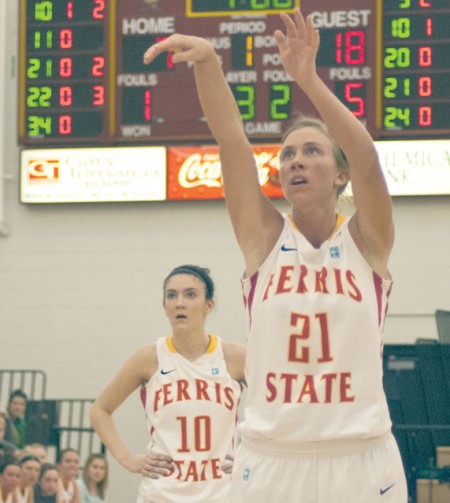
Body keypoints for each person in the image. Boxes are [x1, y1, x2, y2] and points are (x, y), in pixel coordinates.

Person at [143, 8, 408, 503]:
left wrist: (307, 79)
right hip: (269, 457)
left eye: (312, 151)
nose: (296, 161)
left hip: (361, 455)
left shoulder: (367, 240)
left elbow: (368, 157)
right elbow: (233, 144)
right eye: (287, 155)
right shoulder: (264, 241)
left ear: (340, 174)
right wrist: (208, 66)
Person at [90, 265, 246, 502]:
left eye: (190, 294)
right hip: (162, 494)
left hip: (221, 493)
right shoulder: (148, 358)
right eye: (171, 295)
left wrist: (251, 456)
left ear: (208, 305)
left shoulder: (234, 356)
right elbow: (99, 411)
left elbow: (274, 408)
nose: (179, 303)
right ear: (165, 306)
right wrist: (126, 458)